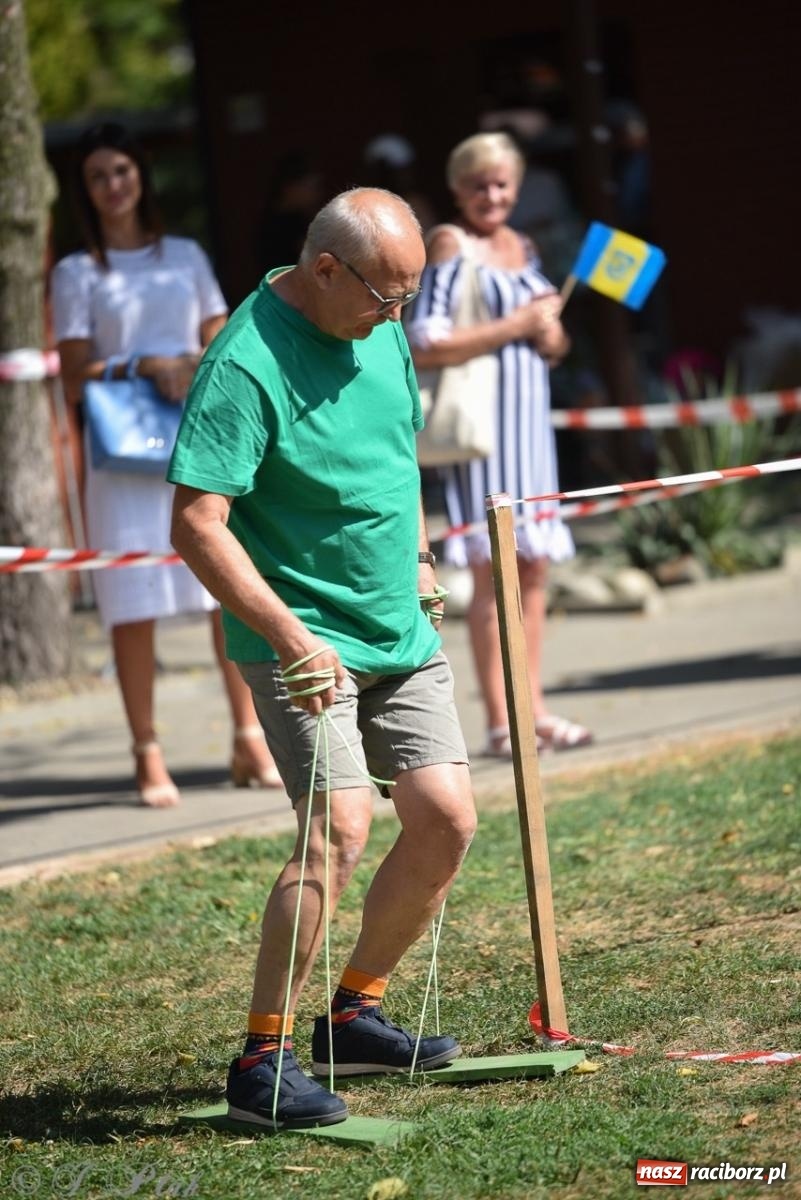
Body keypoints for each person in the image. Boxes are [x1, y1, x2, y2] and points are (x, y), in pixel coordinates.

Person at [168, 187, 476, 1129]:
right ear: (325, 269)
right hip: (301, 635)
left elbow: (396, 452)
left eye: (410, 298)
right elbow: (194, 523)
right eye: (386, 297)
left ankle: (357, 1015)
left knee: (443, 822)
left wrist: (419, 555)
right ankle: (263, 1058)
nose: (399, 317)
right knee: (338, 828)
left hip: (397, 625)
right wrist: (291, 639)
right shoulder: (245, 363)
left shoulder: (375, 324)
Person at [51, 122, 282, 807]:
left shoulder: (183, 255)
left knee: (224, 588)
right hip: (121, 456)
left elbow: (221, 337)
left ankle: (247, 736)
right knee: (132, 606)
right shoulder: (76, 271)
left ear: (140, 175)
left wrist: (191, 365)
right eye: (98, 176)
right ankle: (146, 751)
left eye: (121, 171)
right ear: (84, 191)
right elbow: (70, 373)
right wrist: (140, 365)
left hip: (197, 439)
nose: (113, 186)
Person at [407, 132, 593, 754]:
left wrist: (550, 336)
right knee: (494, 574)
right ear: (457, 188)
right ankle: (500, 719)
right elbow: (424, 339)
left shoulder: (524, 246)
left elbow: (552, 343)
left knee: (535, 570)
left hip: (530, 432)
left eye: (502, 183)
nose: (492, 195)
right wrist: (515, 325)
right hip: (481, 439)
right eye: (478, 184)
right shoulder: (450, 243)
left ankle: (533, 706)